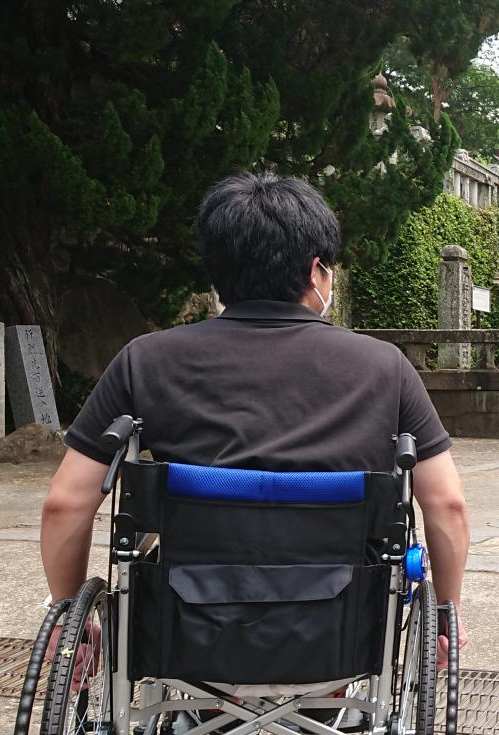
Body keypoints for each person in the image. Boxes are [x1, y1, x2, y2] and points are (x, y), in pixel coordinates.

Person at [40, 171, 471, 679]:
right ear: (316, 272)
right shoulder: (384, 367)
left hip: (184, 626)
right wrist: (446, 614)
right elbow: (446, 503)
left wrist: (69, 612)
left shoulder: (145, 360)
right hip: (339, 627)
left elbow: (66, 503)